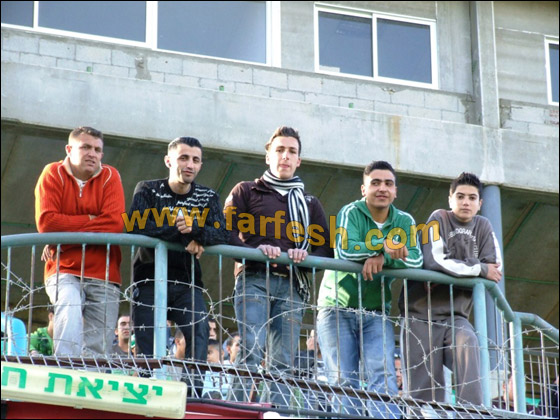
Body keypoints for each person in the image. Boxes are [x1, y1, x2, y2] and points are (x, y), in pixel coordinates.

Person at [224, 126, 333, 405]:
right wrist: (255, 252)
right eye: (280, 150)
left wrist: (304, 257)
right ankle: (235, 410)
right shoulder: (246, 191)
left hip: (293, 286)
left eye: (292, 152)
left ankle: (274, 412)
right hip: (254, 278)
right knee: (251, 348)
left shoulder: (310, 203)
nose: (285, 156)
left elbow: (325, 249)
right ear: (268, 156)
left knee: (283, 361)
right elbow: (225, 232)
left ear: (299, 160)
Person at [317, 160, 423, 417]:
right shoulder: (350, 212)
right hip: (336, 308)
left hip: (376, 312)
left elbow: (416, 259)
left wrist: (383, 258)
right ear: (363, 189)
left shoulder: (404, 220)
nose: (382, 188)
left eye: (388, 183)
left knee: (383, 377)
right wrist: (382, 247)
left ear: (395, 191)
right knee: (343, 380)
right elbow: (345, 250)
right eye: (375, 183)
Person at [127, 137, 228, 383]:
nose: (189, 165)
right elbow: (136, 225)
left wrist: (196, 230)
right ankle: (146, 392)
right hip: (148, 280)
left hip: (187, 283)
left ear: (201, 165)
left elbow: (223, 233)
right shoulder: (147, 189)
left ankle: (192, 396)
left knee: (200, 333)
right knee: (146, 345)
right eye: (183, 158)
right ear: (169, 161)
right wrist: (185, 236)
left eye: (195, 160)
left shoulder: (207, 196)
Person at [399, 172, 502, 406]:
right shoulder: (438, 218)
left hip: (456, 316)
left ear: (480, 203)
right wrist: (478, 268)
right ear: (450, 199)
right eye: (460, 196)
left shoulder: (483, 226)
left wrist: (466, 269)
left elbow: (495, 268)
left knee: (468, 343)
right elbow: (435, 261)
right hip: (420, 315)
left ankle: (470, 412)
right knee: (423, 386)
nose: (466, 202)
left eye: (472, 198)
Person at [35, 126, 125, 356]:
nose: (92, 154)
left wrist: (62, 240)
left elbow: (115, 224)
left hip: (105, 273)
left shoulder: (110, 176)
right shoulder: (52, 173)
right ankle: (65, 369)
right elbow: (46, 223)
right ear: (69, 149)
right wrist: (92, 220)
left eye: (97, 149)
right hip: (63, 269)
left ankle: (88, 378)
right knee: (69, 308)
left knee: (98, 348)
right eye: (85, 147)